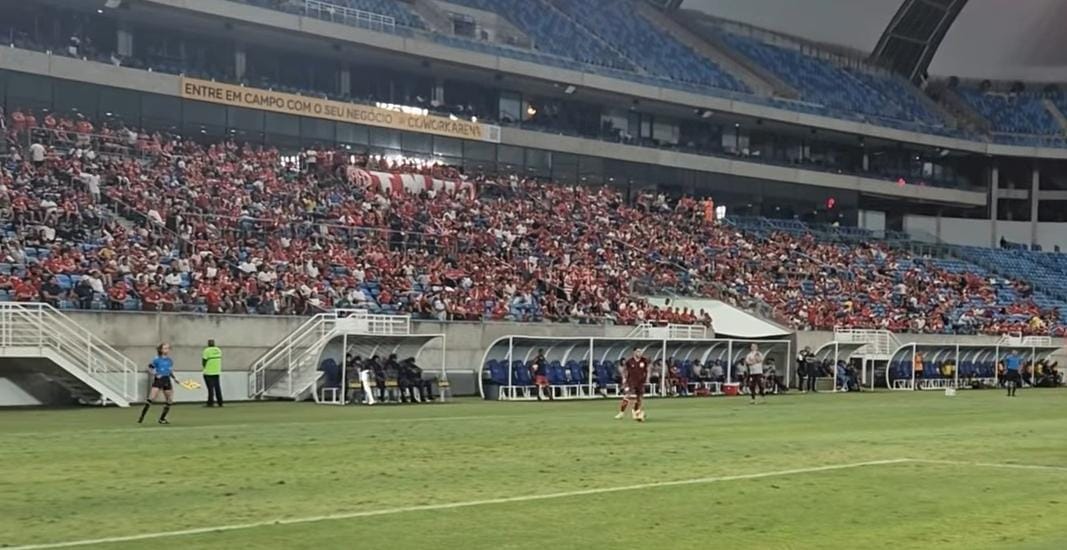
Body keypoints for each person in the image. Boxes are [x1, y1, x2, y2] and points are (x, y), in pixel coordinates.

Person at [138, 343, 181, 424]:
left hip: (167, 379)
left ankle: (162, 419)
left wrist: (175, 378)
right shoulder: (156, 359)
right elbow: (150, 368)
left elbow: (170, 371)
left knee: (169, 400)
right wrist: (156, 374)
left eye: (168, 348)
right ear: (161, 350)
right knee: (151, 398)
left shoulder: (169, 360)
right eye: (165, 348)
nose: (167, 350)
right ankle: (142, 417)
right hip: (159, 380)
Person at [616, 347, 649, 421]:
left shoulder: (644, 361)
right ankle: (621, 413)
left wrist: (647, 379)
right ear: (634, 352)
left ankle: (636, 411)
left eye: (640, 352)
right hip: (631, 382)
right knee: (627, 396)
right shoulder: (629, 361)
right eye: (638, 351)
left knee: (639, 398)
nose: (640, 353)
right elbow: (624, 370)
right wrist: (624, 378)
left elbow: (647, 370)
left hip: (640, 382)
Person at [201, 339, 223, 407]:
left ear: (208, 344)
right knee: (217, 387)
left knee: (210, 388)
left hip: (208, 372)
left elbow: (204, 361)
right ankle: (220, 402)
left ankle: (210, 402)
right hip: (217, 371)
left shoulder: (206, 350)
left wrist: (204, 367)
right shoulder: (218, 350)